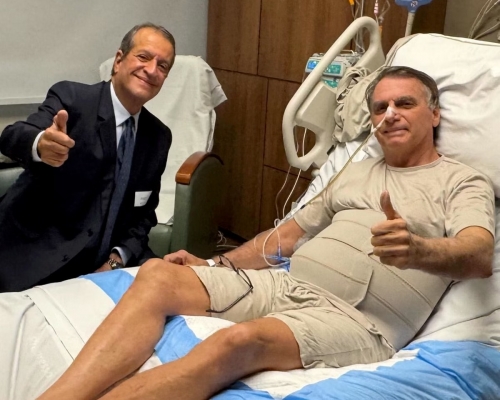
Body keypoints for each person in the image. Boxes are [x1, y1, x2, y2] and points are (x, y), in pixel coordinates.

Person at [38, 66, 495, 400]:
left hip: (357, 320)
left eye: (405, 104)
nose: (390, 114)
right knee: (157, 274)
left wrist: (419, 250)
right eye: (380, 107)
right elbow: (286, 237)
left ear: (435, 114)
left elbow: (478, 255)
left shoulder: (460, 181)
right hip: (288, 284)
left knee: (238, 341)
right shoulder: (356, 172)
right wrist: (215, 262)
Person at [0, 23, 176, 292]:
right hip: (36, 255)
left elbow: (143, 214)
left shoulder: (158, 136)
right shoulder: (72, 99)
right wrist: (40, 144)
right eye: (143, 57)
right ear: (118, 60)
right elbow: (13, 136)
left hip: (106, 265)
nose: (152, 70)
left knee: (171, 292)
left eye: (162, 66)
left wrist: (115, 261)